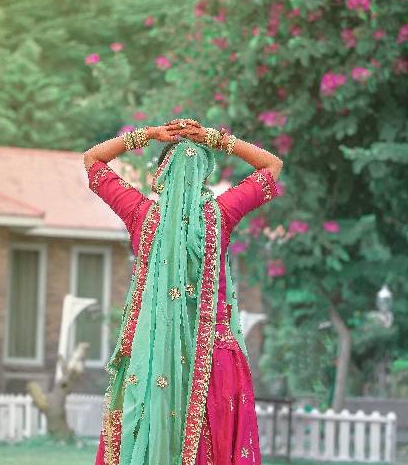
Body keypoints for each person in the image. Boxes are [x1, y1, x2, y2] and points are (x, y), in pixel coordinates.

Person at [84, 118, 283, 465]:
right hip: (213, 360)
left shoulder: (140, 213)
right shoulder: (221, 214)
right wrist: (217, 139)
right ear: (203, 177)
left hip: (149, 358)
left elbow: (92, 161)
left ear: (159, 177)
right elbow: (272, 166)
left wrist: (146, 134)